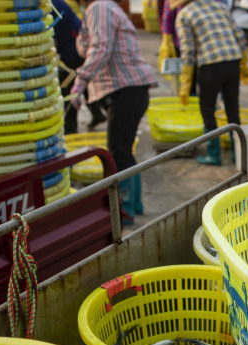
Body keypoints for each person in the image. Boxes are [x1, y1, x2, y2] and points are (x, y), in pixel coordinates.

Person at [72, 0, 159, 222]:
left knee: (118, 152)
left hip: (126, 89)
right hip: (130, 89)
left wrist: (80, 81)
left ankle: (124, 211)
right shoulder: (106, 8)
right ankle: (133, 206)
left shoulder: (99, 7)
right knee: (124, 150)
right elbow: (87, 46)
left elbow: (100, 46)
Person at [174, 0, 248, 165]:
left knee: (208, 109)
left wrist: (186, 82)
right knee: (232, 109)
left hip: (210, 66)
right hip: (233, 62)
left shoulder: (184, 15)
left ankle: (214, 154)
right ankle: (237, 154)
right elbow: (240, 35)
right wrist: (243, 62)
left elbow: (187, 51)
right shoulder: (218, 6)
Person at [51, 0, 106, 133]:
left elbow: (52, 40)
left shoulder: (51, 7)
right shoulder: (54, 3)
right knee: (82, 83)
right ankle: (97, 113)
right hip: (76, 46)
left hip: (73, 49)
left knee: (68, 90)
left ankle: (70, 130)